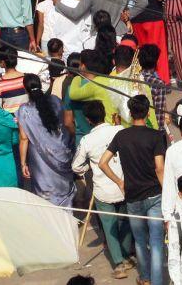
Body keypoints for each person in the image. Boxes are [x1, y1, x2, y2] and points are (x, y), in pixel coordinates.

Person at [101, 94, 167, 285]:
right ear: (148, 113)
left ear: (130, 113)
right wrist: (169, 196)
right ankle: (156, 282)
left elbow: (102, 162)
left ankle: (145, 278)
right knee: (156, 243)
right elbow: (160, 168)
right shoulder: (156, 136)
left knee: (139, 241)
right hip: (155, 195)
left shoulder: (121, 136)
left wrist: (119, 182)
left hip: (132, 197)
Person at [72, 100, 135, 279]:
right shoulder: (119, 130)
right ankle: (125, 255)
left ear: (88, 120)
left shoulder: (87, 140)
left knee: (109, 227)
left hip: (103, 190)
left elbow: (76, 166)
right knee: (125, 222)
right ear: (104, 113)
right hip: (124, 185)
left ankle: (119, 264)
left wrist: (89, 169)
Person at [17, 73, 75, 207]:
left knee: (45, 194)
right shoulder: (55, 101)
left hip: (40, 159)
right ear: (41, 85)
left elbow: (24, 139)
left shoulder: (24, 110)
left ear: (25, 89)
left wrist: (23, 164)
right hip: (61, 150)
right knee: (64, 189)